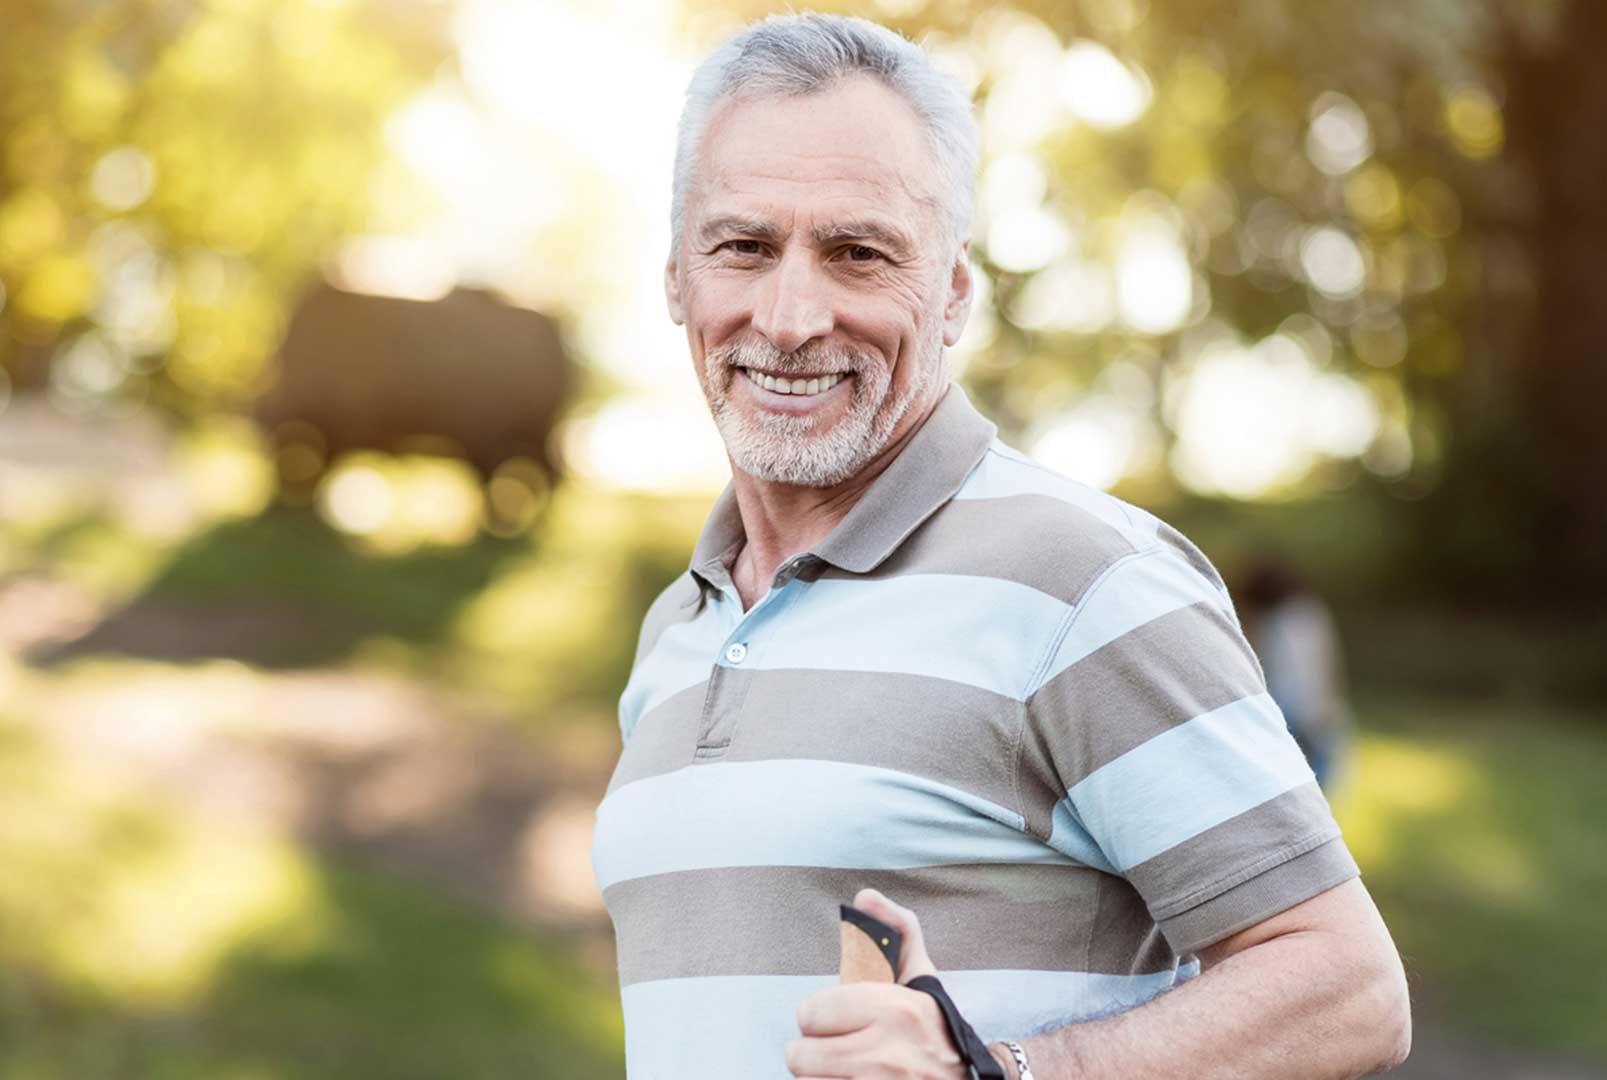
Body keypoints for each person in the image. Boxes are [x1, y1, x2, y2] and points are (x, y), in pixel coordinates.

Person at [589, 14, 1411, 1079]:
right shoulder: (677, 630)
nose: (789, 316)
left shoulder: (1085, 581)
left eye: (857, 253)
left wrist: (1006, 1072)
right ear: (675, 281)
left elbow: (1347, 991)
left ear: (953, 297)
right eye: (743, 246)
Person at [1239, 558, 1355, 789]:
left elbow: (1289, 679)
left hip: (1298, 719)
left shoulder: (1280, 622)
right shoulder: (1310, 611)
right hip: (1322, 714)